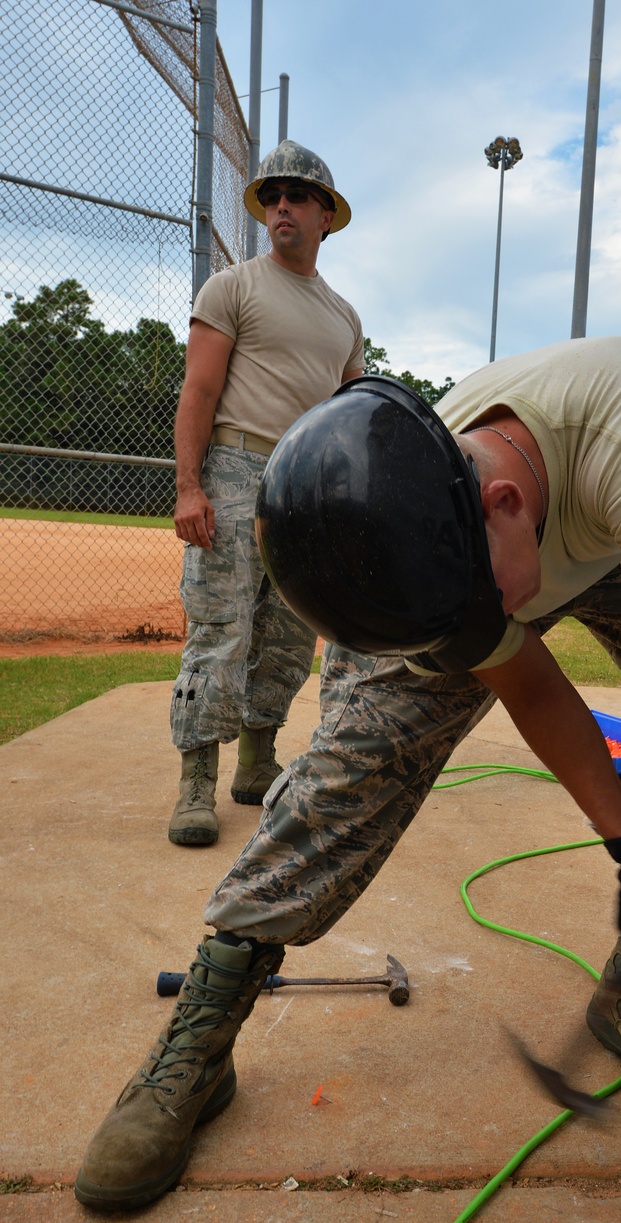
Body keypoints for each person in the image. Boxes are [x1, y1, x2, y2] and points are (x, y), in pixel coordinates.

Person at [76, 336, 621, 1214]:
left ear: (502, 502)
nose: (486, 627)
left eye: (478, 613)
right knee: (354, 761)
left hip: (616, 531)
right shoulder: (411, 519)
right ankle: (206, 1019)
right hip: (509, 551)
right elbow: (532, 684)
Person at [167, 139, 364, 848]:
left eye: (299, 196)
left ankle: (256, 763)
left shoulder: (343, 317)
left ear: (326, 216)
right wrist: (191, 487)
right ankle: (196, 785)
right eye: (273, 196)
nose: (283, 205)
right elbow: (200, 390)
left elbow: (349, 418)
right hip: (235, 468)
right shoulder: (233, 287)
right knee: (221, 629)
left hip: (305, 487)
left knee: (286, 633)